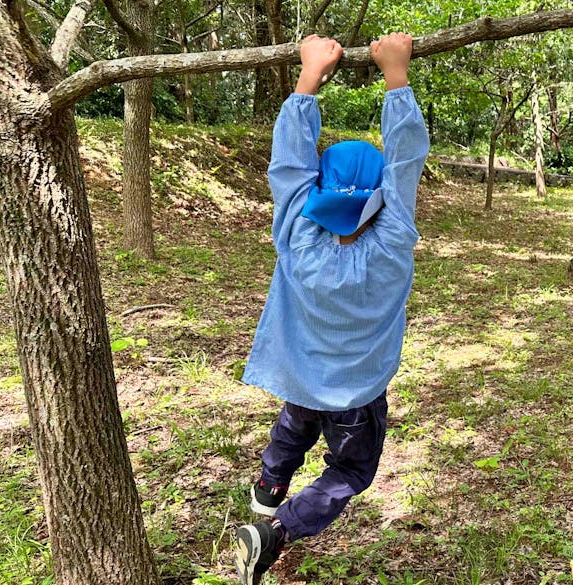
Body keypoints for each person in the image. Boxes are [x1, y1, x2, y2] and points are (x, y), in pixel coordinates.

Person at [233, 32, 429, 585]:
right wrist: (396, 76)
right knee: (351, 467)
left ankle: (269, 488)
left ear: (319, 190)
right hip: (355, 394)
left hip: (300, 377)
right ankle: (277, 531)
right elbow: (406, 159)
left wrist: (309, 78)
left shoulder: (296, 236)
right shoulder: (392, 245)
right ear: (381, 200)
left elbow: (288, 165)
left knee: (294, 427)